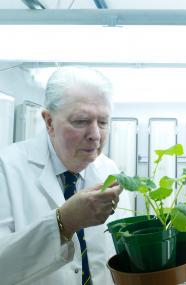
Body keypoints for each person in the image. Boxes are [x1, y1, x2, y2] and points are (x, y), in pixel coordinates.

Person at [0, 66, 130, 285]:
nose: (95, 135)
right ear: (49, 122)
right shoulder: (7, 168)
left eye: (103, 122)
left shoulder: (109, 170)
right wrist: (64, 222)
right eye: (81, 121)